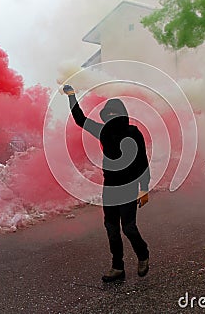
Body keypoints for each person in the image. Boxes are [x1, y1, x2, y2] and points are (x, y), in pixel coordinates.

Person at [63, 85, 150, 282]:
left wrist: (144, 188)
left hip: (128, 187)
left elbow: (142, 162)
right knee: (111, 228)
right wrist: (71, 96)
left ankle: (143, 254)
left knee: (128, 228)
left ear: (122, 114)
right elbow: (80, 119)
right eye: (108, 113)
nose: (111, 116)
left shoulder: (133, 132)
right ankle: (117, 267)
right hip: (110, 187)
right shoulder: (103, 131)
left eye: (114, 113)